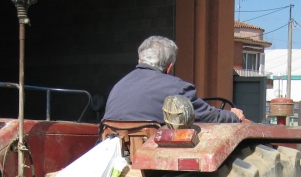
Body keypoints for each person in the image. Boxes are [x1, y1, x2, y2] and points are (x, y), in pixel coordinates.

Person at [104, 36, 245, 124]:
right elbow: (208, 117)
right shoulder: (177, 89)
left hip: (118, 157)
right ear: (170, 67)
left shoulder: (118, 87)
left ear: (140, 60)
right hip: (158, 163)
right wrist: (233, 116)